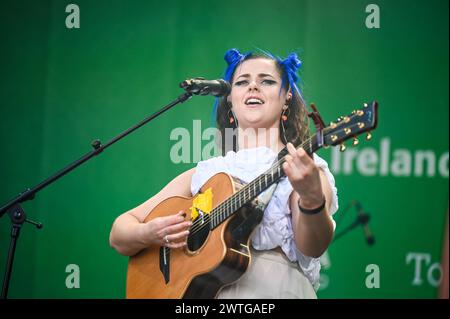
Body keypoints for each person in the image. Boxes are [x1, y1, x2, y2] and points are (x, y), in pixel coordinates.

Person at [109, 48, 338, 298]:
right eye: (242, 82)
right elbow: (120, 232)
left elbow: (313, 246)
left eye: (267, 81)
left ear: (287, 96)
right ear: (229, 98)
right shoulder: (206, 173)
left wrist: (312, 199)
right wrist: (149, 232)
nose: (253, 87)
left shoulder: (302, 167)